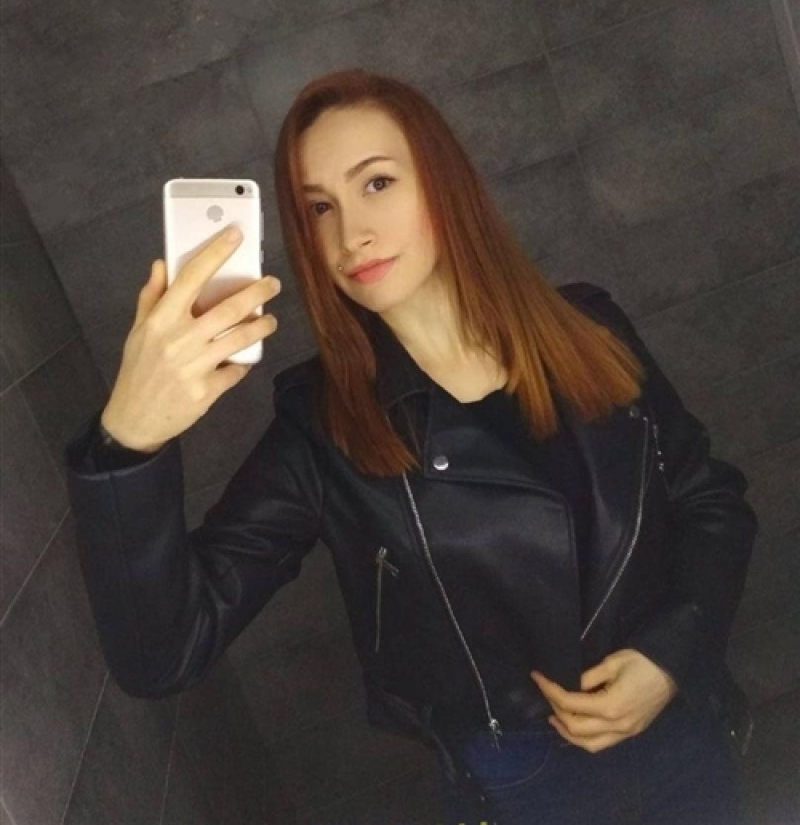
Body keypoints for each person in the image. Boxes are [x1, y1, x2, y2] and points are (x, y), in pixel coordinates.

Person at [65, 70, 757, 825]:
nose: (350, 235)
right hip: (527, 786)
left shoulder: (589, 327)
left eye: (377, 183)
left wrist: (670, 655)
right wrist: (128, 442)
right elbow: (164, 653)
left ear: (443, 181)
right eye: (319, 208)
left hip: (685, 730)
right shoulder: (323, 430)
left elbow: (710, 501)